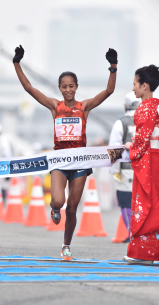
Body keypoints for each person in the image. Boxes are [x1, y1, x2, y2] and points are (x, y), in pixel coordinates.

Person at [13, 45, 118, 260]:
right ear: (59, 88)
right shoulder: (54, 106)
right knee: (58, 202)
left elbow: (108, 91)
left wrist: (113, 67)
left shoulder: (85, 107)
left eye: (71, 86)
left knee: (72, 209)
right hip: (60, 160)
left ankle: (66, 245)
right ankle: (53, 209)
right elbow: (29, 88)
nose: (68, 90)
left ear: (76, 87)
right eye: (64, 87)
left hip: (79, 161)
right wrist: (17, 63)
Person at [124, 65, 159, 265]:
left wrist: (131, 147)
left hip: (148, 160)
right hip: (156, 157)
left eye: (136, 84)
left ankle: (143, 253)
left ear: (144, 86)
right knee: (155, 204)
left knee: (144, 202)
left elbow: (142, 140)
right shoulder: (157, 105)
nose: (133, 87)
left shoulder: (146, 108)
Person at [109, 92, 140, 242]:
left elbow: (114, 149)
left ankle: (132, 233)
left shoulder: (121, 123)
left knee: (126, 202)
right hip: (146, 170)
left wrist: (114, 171)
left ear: (125, 105)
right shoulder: (151, 120)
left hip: (126, 171)